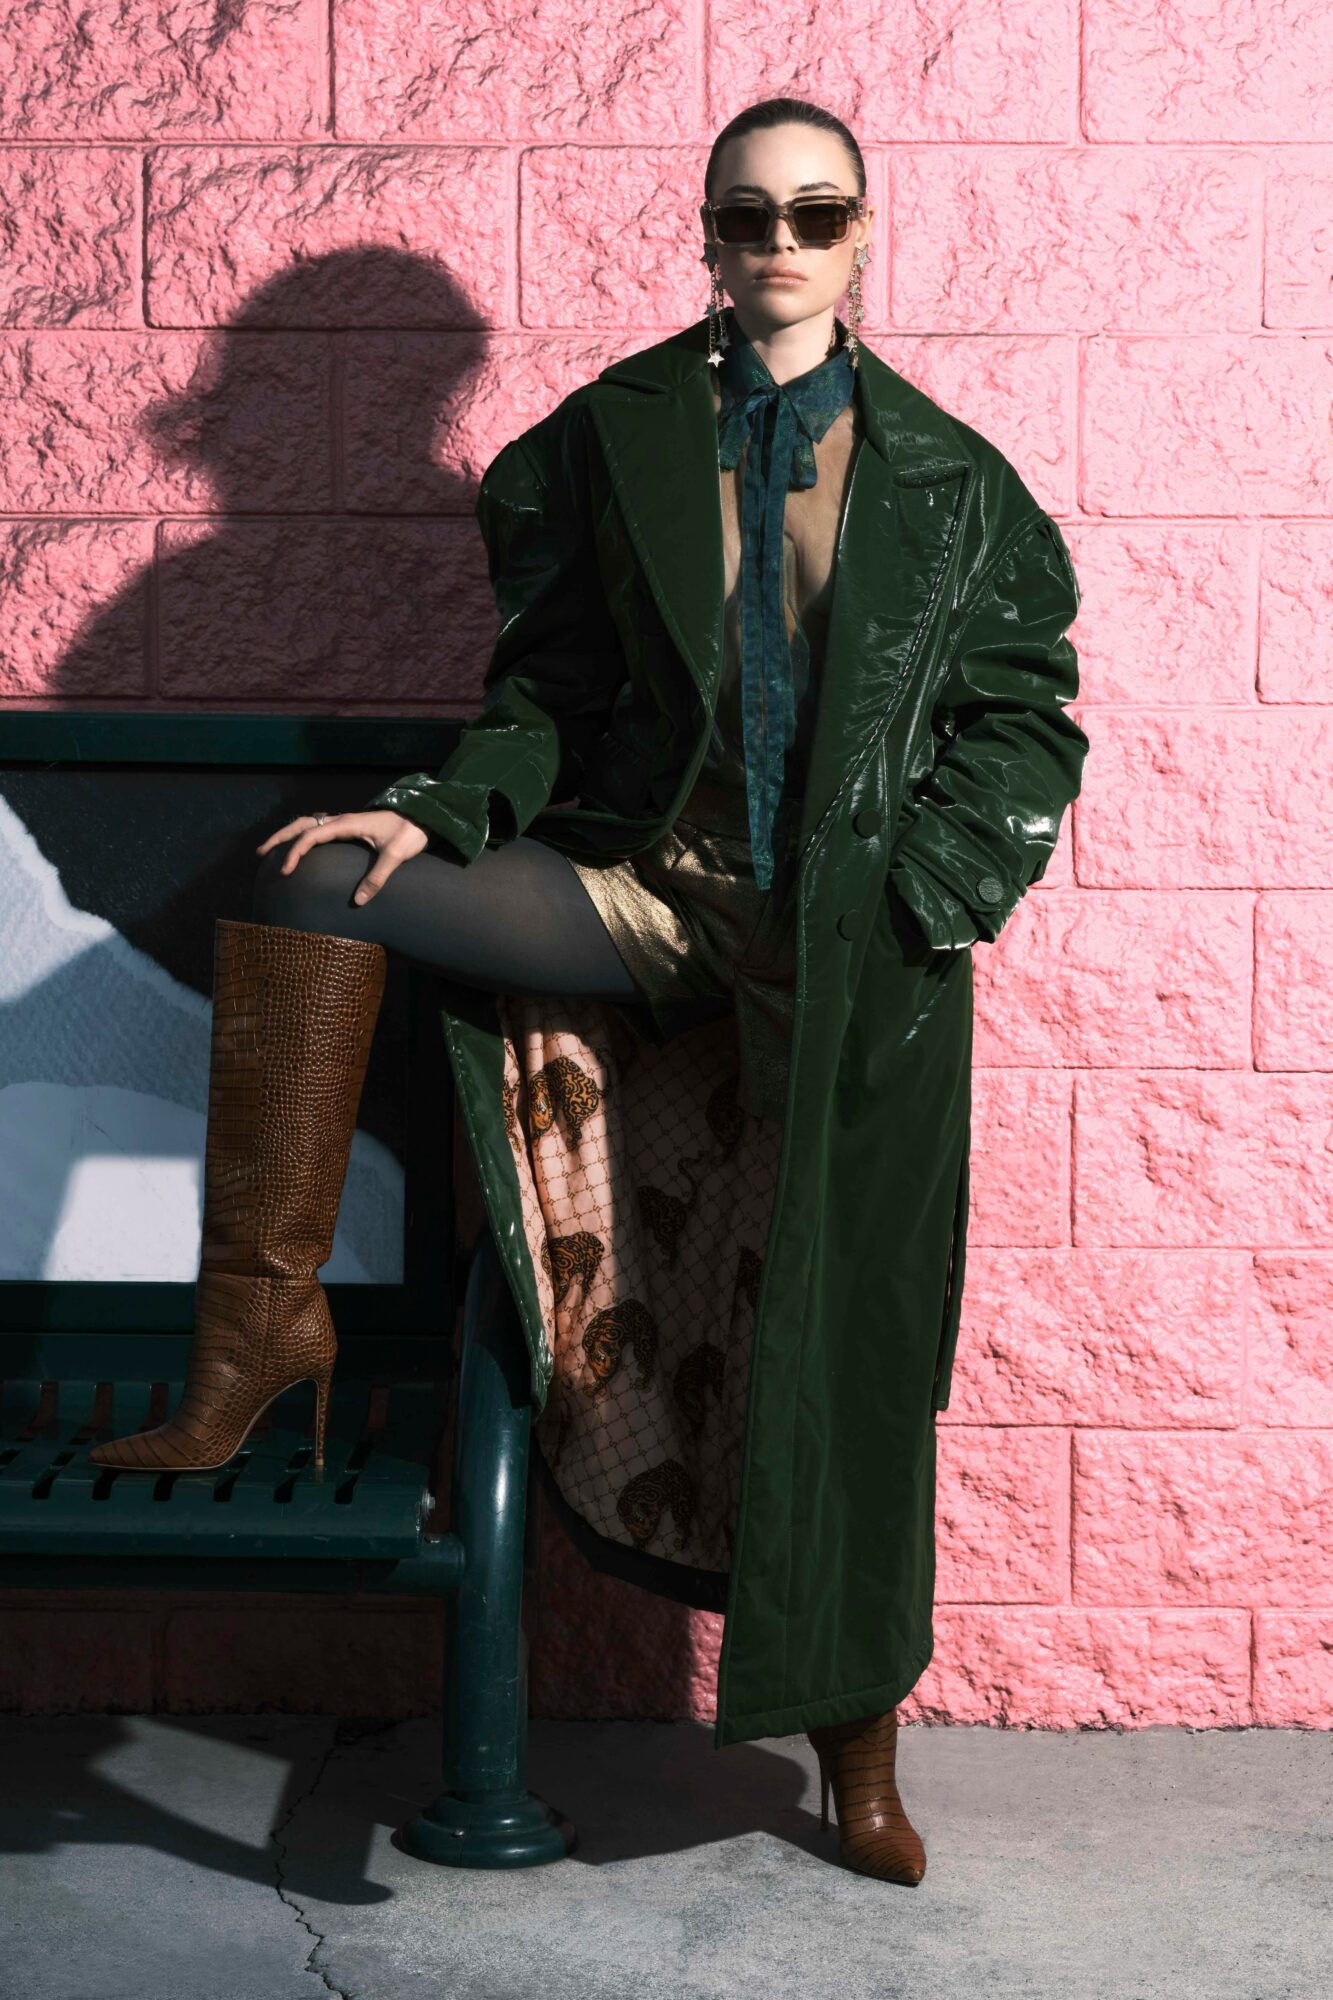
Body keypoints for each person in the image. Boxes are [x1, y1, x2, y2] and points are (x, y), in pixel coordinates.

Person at [92, 96, 1089, 1889]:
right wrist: (440, 809)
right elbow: (543, 691)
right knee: (315, 879)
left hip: (850, 951)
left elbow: (1022, 716)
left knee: (844, 1354)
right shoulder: (613, 437)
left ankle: (855, 1748)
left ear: (864, 233)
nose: (778, 244)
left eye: (814, 213)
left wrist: (926, 895)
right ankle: (258, 1336)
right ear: (704, 232)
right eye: (746, 215)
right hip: (648, 887)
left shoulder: (955, 482)